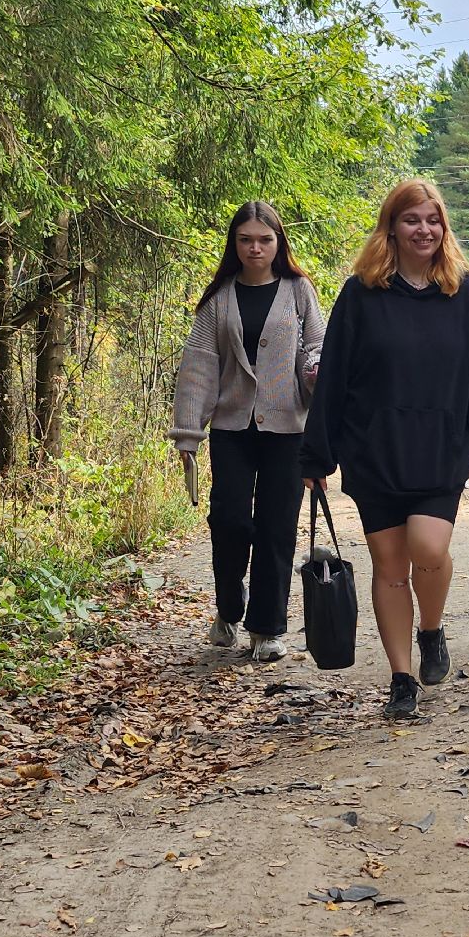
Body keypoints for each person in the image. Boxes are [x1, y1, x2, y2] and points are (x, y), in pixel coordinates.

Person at [300, 179, 469, 719]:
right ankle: (400, 678)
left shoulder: (461, 292)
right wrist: (317, 455)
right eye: (412, 220)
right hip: (375, 450)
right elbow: (335, 380)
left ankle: (432, 629)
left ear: (444, 228)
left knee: (429, 548)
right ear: (391, 227)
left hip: (441, 446)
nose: (424, 229)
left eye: (433, 220)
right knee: (390, 567)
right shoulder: (361, 294)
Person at [171, 200, 325, 662]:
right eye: (245, 239)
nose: (255, 247)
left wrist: (316, 374)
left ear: (279, 243)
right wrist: (188, 434)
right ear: (234, 244)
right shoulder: (219, 299)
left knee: (277, 527)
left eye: (264, 239)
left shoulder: (298, 291)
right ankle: (228, 608)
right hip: (233, 428)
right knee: (230, 521)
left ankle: (268, 628)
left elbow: (316, 345)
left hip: (287, 428)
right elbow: (199, 367)